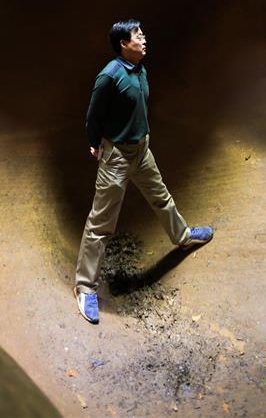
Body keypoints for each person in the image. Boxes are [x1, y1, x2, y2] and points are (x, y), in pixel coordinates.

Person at [74, 19, 213, 324]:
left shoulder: (140, 69)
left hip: (141, 151)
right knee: (101, 223)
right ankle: (85, 287)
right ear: (124, 43)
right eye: (138, 36)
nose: (144, 39)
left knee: (160, 197)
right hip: (117, 157)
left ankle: (183, 236)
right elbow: (92, 115)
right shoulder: (108, 76)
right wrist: (95, 143)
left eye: (142, 34)